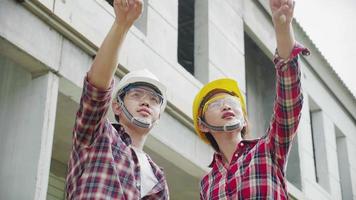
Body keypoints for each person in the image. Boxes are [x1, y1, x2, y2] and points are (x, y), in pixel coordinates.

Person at [192, 0, 310, 199]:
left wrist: (283, 29)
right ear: (203, 125)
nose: (226, 106)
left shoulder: (268, 149)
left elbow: (288, 103)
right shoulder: (207, 184)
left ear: (244, 120)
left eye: (232, 102)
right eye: (215, 104)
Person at [65, 0, 169, 199]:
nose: (146, 102)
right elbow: (96, 89)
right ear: (117, 106)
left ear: (158, 117)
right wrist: (122, 24)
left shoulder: (158, 177)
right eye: (136, 95)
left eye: (154, 99)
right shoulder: (97, 135)